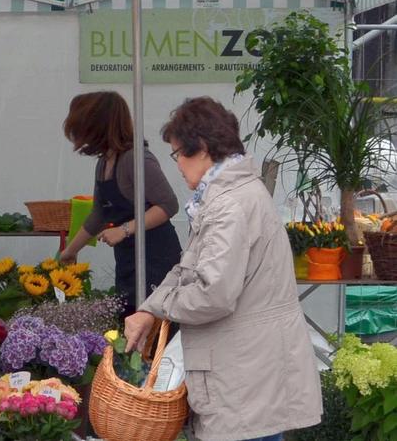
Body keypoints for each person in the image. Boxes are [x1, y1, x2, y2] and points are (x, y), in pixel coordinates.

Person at [123, 97, 321, 441]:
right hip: (248, 374)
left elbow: (212, 294)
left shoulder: (229, 205)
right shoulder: (230, 195)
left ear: (200, 149)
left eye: (177, 154)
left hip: (243, 380)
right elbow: (190, 267)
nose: (178, 166)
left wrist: (159, 306)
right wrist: (150, 310)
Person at [59, 91, 183, 315]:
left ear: (99, 126)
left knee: (153, 325)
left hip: (155, 258)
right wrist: (70, 251)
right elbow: (98, 214)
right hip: (127, 259)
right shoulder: (103, 163)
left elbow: (168, 204)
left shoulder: (135, 159)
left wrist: (124, 230)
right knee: (128, 319)